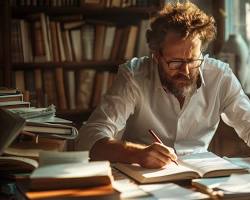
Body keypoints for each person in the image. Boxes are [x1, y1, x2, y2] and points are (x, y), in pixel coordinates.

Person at [77, 1, 250, 169]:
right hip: (142, 175)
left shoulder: (220, 76)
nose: (187, 71)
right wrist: (136, 154)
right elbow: (87, 139)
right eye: (175, 62)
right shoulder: (134, 76)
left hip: (200, 176)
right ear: (157, 56)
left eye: (192, 61)